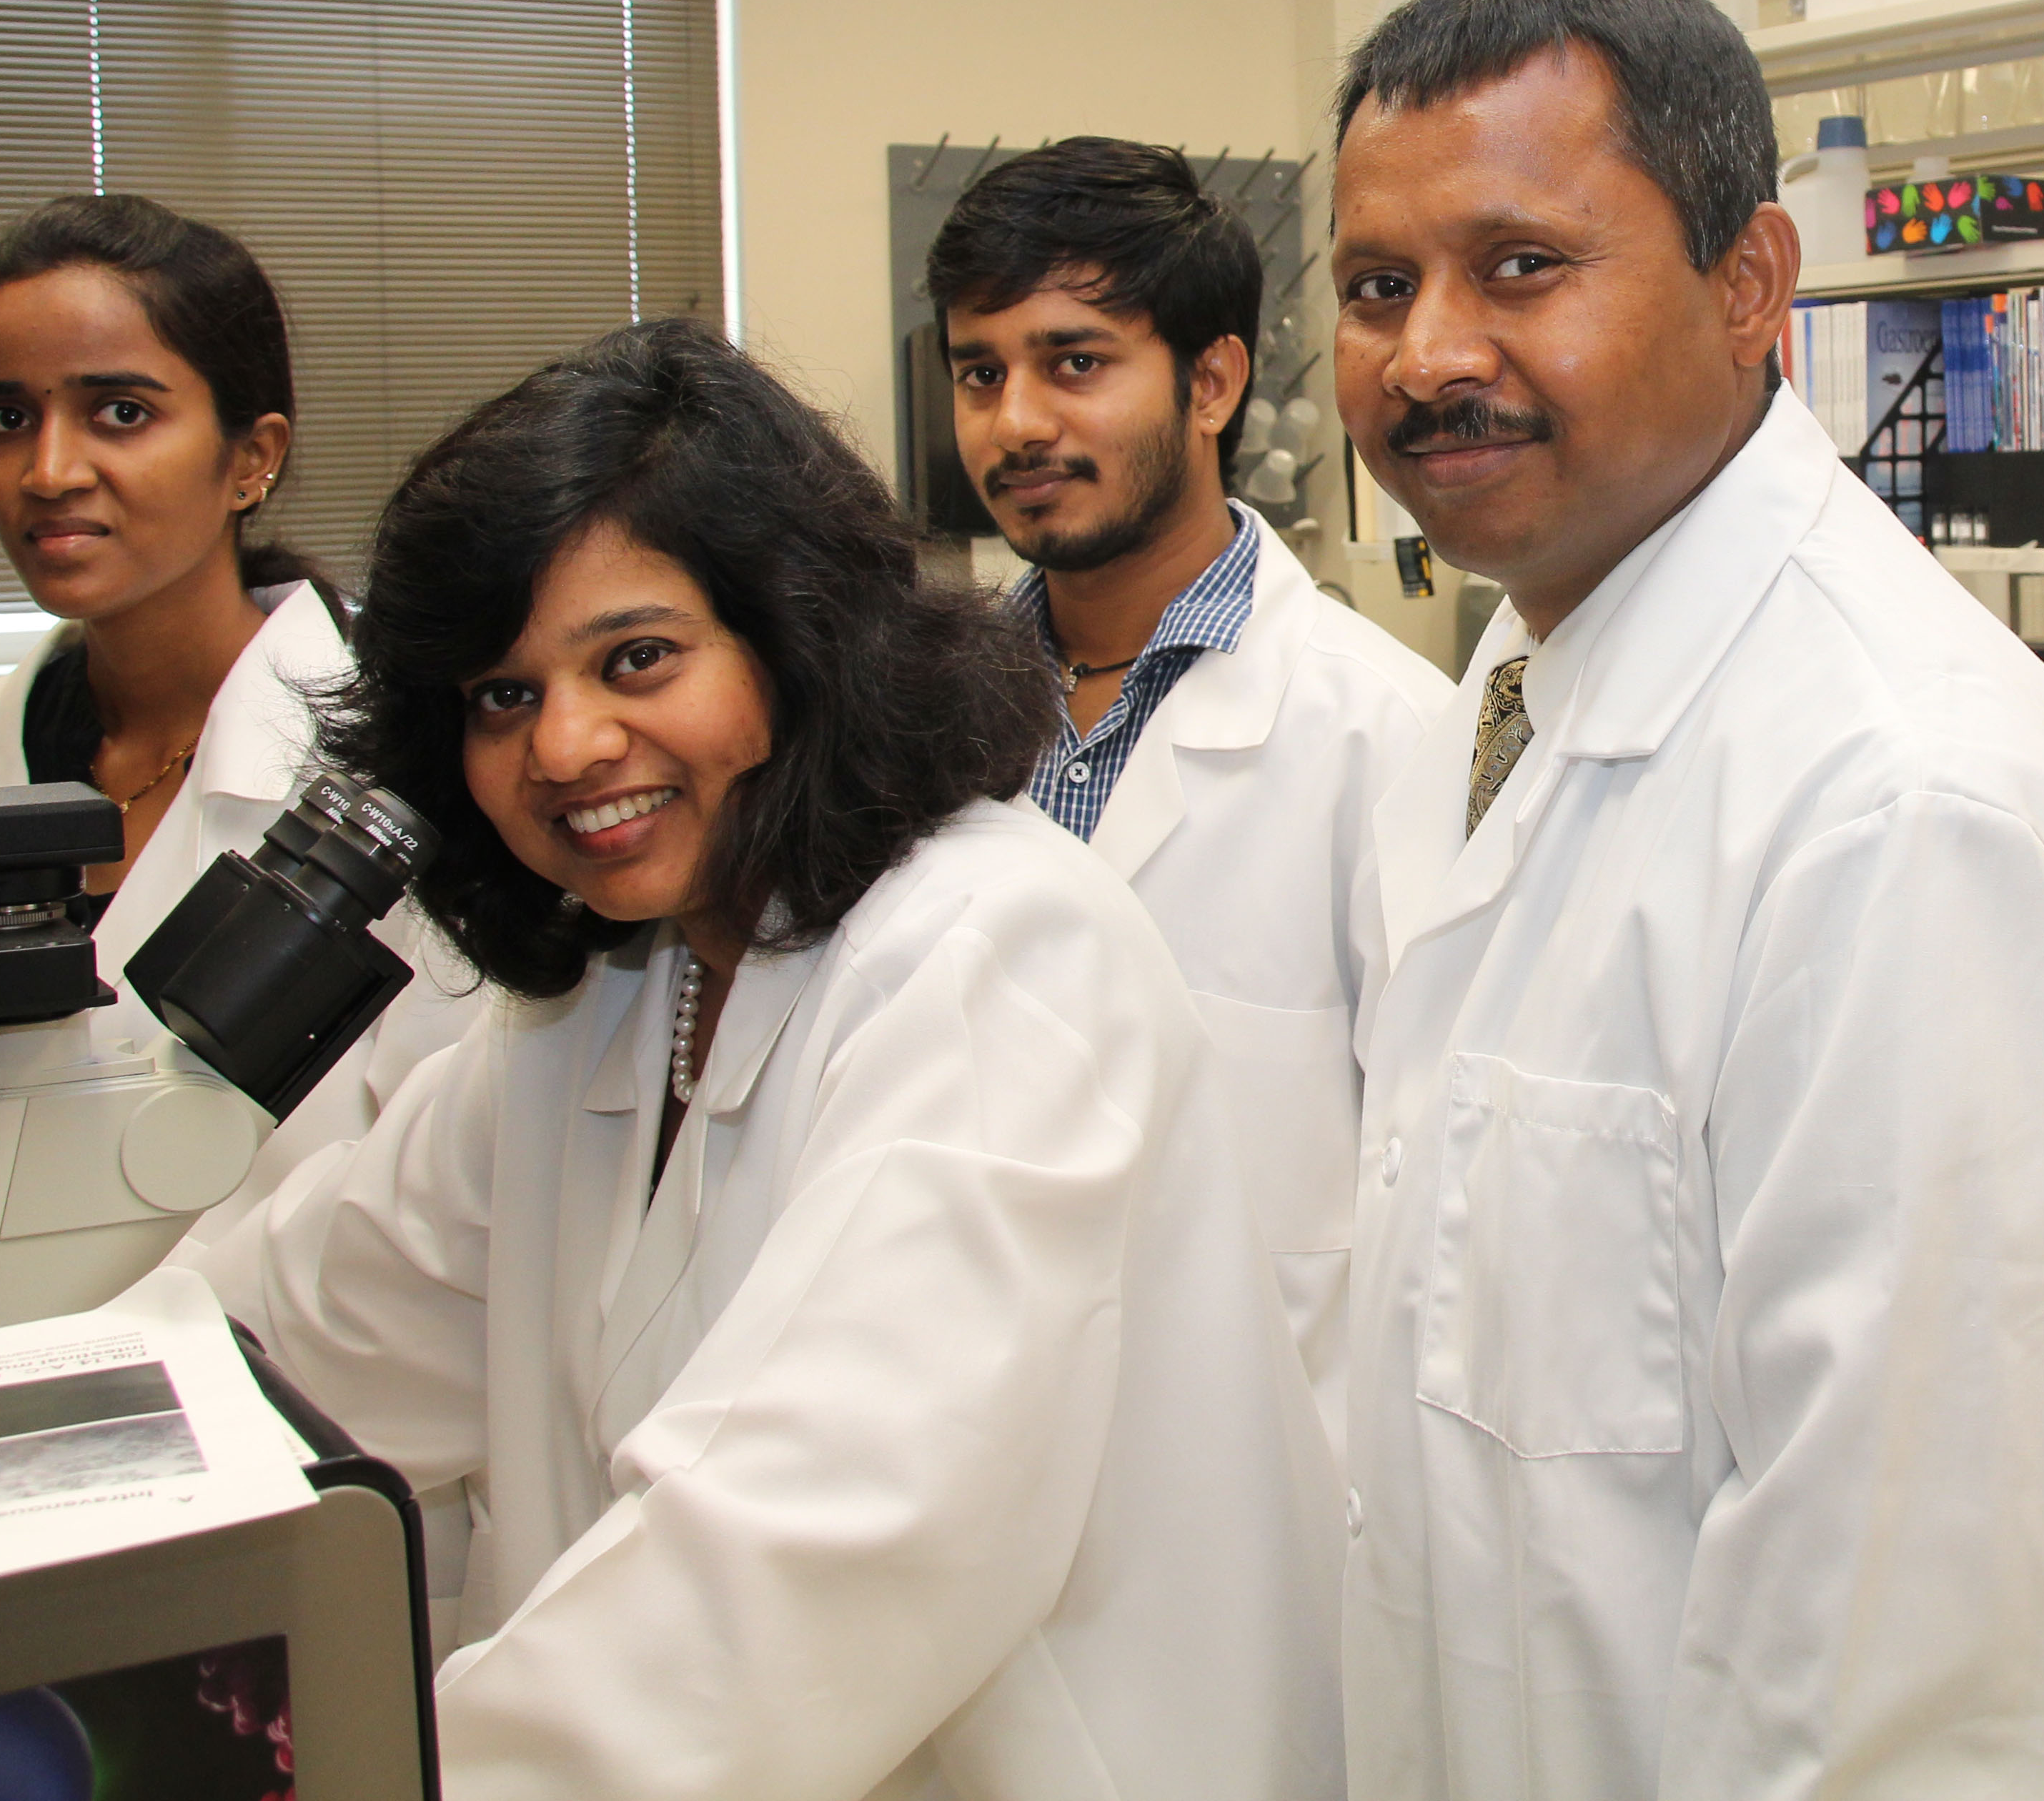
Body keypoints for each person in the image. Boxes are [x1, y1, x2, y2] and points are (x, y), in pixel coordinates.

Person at [195, 319, 1340, 1799]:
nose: (566, 746)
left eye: (638, 658)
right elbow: (296, 1331)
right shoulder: (602, 996)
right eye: (503, 695)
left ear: (797, 641)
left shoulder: (993, 950)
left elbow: (808, 1549)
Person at [1326, 0, 2044, 1797]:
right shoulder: (1514, 686)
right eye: (1374, 287)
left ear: (1751, 286)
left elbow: (1923, 1670)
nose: (1426, 354)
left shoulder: (1900, 806)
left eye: (1522, 266)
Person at [927, 137, 1446, 1449]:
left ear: (1213, 381)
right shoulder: (916, 729)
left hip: (1266, 1518)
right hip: (965, 1456)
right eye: (980, 373)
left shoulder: (1387, 739)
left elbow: (1443, 1210)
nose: (1017, 421)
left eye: (1074, 362)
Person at [0, 194, 469, 1241]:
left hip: (301, 1360)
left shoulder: (401, 749)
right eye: (6, 418)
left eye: (121, 412)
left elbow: (444, 1157)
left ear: (252, 458)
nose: (49, 472)